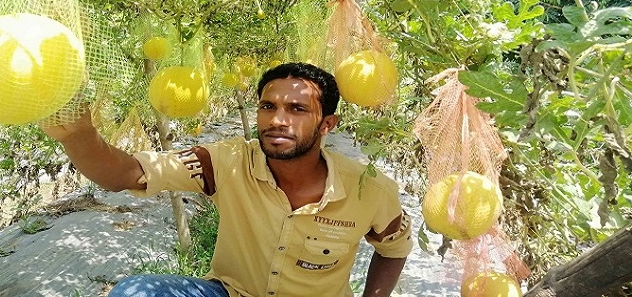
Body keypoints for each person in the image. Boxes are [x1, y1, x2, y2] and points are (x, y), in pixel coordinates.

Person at [42, 62, 412, 297]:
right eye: (269, 106)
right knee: (137, 292)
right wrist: (79, 136)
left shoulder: (370, 189)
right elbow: (126, 174)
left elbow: (394, 249)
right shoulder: (226, 162)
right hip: (230, 293)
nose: (277, 120)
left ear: (328, 124)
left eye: (297, 109)